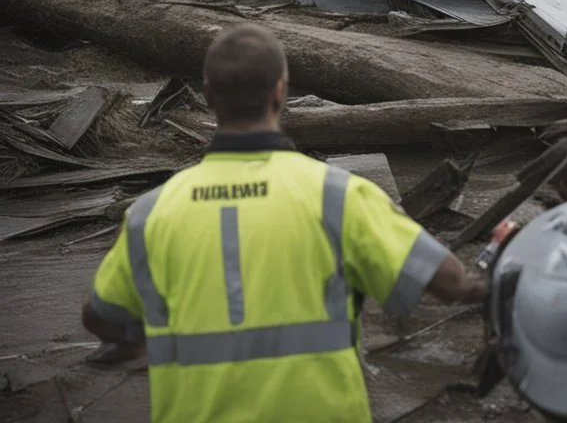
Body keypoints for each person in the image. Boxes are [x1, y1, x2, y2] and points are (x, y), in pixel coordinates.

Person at [82, 24, 486, 423]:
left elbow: (100, 315)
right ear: (281, 92)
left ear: (207, 97)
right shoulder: (337, 195)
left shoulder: (151, 213)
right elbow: (450, 283)